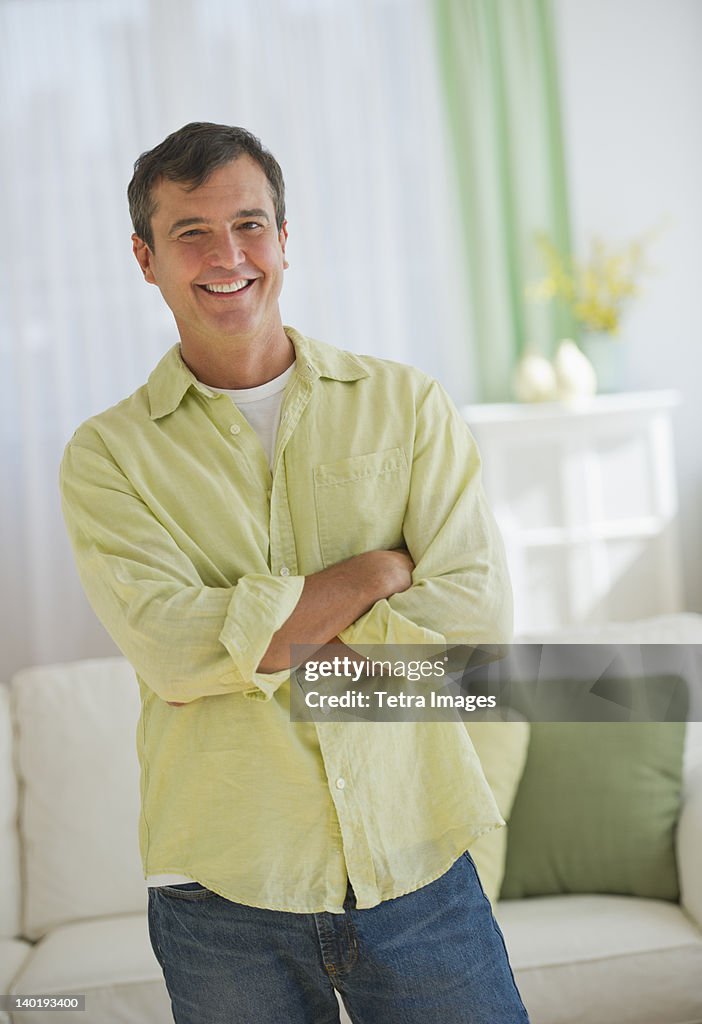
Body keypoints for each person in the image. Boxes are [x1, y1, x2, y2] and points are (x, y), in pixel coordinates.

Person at [60, 122, 529, 1024]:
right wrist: (373, 574)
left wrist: (253, 652)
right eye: (190, 232)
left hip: (416, 860)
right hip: (221, 888)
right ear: (144, 257)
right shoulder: (106, 458)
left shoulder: (407, 406)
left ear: (284, 239)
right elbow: (170, 652)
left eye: (249, 224)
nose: (227, 254)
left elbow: (470, 629)